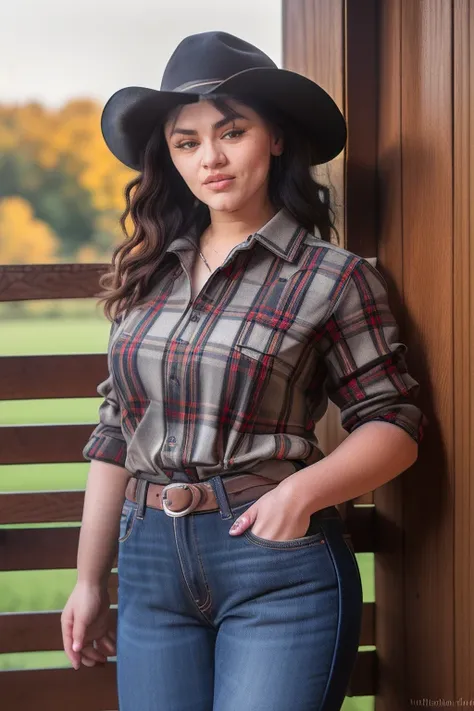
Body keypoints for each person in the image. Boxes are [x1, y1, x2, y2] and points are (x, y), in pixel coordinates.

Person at [61, 30, 428, 711]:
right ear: (170, 158)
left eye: (232, 132)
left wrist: (302, 495)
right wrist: (89, 579)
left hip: (275, 564)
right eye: (188, 141)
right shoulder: (146, 275)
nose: (212, 158)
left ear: (276, 138)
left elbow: (394, 423)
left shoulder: (333, 278)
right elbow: (116, 433)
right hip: (148, 569)